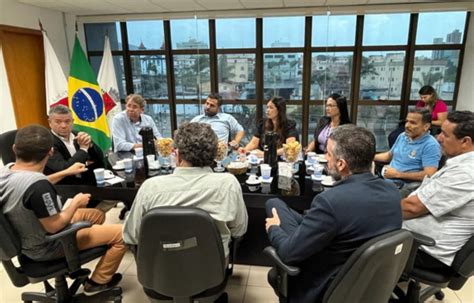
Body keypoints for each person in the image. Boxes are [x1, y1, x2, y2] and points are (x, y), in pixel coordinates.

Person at [265, 124, 402, 302]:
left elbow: (287, 255)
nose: (325, 158)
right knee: (275, 203)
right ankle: (303, 228)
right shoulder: (392, 192)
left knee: (277, 229)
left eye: (328, 154)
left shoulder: (330, 201)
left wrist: (274, 228)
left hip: (327, 285)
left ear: (341, 164)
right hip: (365, 280)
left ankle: (294, 232)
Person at [0, 125, 127, 295]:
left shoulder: (7, 170)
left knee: (95, 215)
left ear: (15, 149)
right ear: (51, 152)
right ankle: (97, 282)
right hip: (46, 245)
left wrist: (66, 172)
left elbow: (34, 181)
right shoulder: (38, 187)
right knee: (123, 234)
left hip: (23, 234)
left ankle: (72, 266)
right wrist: (75, 202)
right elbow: (55, 226)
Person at [123, 122, 248, 258]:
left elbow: (131, 236)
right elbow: (239, 230)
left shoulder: (150, 187)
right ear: (214, 154)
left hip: (160, 270)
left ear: (177, 155)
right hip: (211, 268)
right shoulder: (228, 184)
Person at [402, 110, 474, 272]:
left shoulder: (465, 174)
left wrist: (376, 212)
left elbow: (412, 208)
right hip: (419, 240)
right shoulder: (459, 164)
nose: (438, 138)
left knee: (360, 238)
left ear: (465, 141)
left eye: (445, 135)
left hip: (425, 250)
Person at [374, 108, 441, 188]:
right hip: (387, 181)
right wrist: (369, 157)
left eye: (412, 123)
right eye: (407, 121)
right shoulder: (403, 136)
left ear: (426, 126)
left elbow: (429, 174)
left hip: (404, 188)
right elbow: (389, 156)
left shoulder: (430, 145)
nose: (407, 125)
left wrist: (397, 174)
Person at [44, 105, 105, 186]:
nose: (64, 126)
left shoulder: (78, 134)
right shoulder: (46, 142)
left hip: (89, 183)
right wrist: (83, 149)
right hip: (65, 188)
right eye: (58, 122)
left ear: (73, 121)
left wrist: (90, 145)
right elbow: (64, 169)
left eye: (67, 121)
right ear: (50, 123)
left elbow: (101, 159)